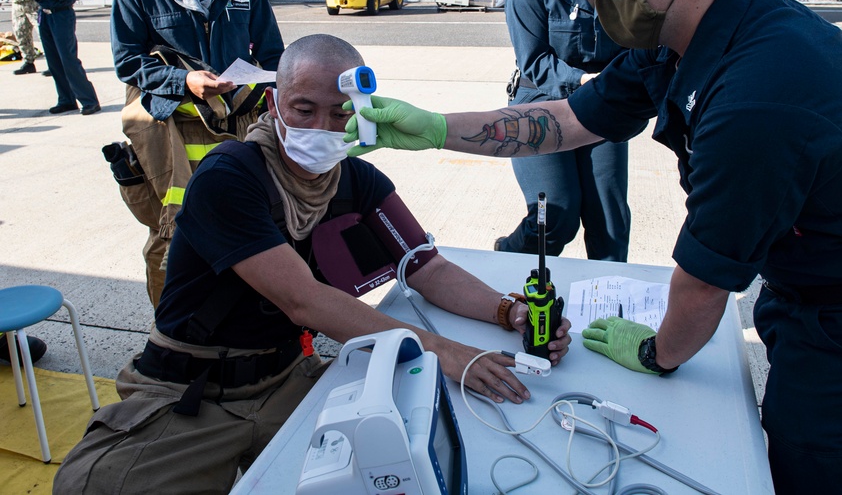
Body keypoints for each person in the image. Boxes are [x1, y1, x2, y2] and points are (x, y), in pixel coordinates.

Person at [342, 0, 842, 495]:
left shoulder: (758, 96)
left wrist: (656, 353)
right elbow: (569, 119)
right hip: (812, 290)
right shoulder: (680, 37)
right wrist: (436, 128)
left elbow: (700, 291)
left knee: (834, 474)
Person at [53, 34, 570, 495]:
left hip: (288, 377)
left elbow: (426, 268)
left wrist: (512, 313)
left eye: (342, 112)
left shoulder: (355, 180)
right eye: (304, 109)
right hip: (193, 392)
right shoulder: (228, 177)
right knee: (90, 485)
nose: (323, 127)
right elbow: (304, 299)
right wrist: (445, 352)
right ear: (274, 104)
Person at [110, 0, 284, 307]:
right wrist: (185, 82)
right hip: (173, 124)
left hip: (238, 119)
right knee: (176, 229)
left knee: (250, 223)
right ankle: (174, 326)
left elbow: (273, 53)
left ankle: (249, 316)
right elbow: (128, 62)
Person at [496, 0, 632, 262]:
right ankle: (508, 256)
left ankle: (607, 297)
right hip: (541, 103)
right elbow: (534, 63)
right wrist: (584, 82)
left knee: (609, 219)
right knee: (556, 216)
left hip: (602, 106)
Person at [29, 0, 101, 115]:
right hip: (44, 16)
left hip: (61, 16)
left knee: (68, 59)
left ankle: (89, 100)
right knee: (53, 61)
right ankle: (66, 99)